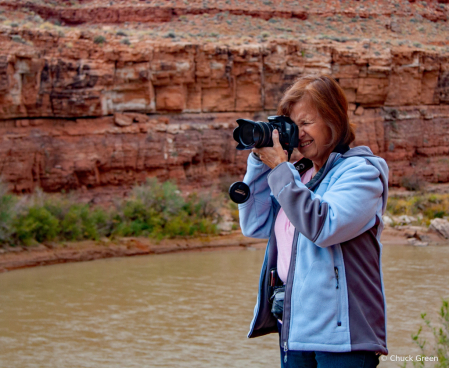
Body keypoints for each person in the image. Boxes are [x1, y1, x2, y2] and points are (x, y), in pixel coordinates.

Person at [239, 75, 388, 368]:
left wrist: (281, 168)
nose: (299, 133)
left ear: (333, 120)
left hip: (343, 341)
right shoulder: (299, 176)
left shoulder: (361, 173)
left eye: (307, 122)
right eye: (294, 125)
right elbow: (255, 224)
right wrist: (259, 163)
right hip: (295, 332)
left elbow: (323, 226)